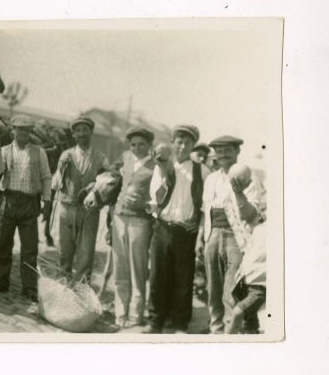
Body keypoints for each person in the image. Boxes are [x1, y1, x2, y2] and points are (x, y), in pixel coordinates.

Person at [143, 125, 210, 334]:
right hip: (163, 228)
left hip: (186, 232)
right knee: (157, 277)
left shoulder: (202, 170)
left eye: (187, 143)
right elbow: (159, 198)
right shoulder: (162, 166)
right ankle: (155, 321)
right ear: (173, 143)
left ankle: (180, 322)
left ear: (193, 145)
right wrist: (164, 172)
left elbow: (205, 206)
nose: (182, 146)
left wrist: (198, 230)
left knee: (183, 280)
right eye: (179, 142)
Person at [196, 135, 261, 334]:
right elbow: (205, 210)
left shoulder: (248, 177)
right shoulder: (211, 179)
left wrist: (239, 192)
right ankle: (216, 330)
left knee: (231, 291)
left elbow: (250, 216)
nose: (223, 154)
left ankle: (230, 333)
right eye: (219, 150)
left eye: (228, 150)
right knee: (213, 289)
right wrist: (200, 237)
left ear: (237, 152)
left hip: (236, 237)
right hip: (212, 234)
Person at [0, 114, 52, 302]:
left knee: (30, 248)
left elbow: (47, 176)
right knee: (3, 244)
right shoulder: (5, 150)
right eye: (19, 129)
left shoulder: (39, 152)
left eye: (26, 129)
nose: (23, 132)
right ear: (12, 130)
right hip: (8, 201)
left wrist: (47, 201)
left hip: (30, 203)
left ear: (30, 131)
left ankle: (29, 287)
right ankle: (1, 281)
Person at [53, 116, 109, 283]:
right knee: (65, 251)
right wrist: (62, 168)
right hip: (67, 208)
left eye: (85, 130)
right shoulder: (66, 155)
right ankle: (62, 289)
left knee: (86, 254)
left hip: (89, 212)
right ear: (74, 134)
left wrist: (96, 186)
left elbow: (108, 183)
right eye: (78, 131)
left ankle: (81, 293)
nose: (82, 134)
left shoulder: (101, 158)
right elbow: (57, 182)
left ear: (91, 132)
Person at [110, 128, 155, 328]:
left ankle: (136, 315)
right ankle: (120, 312)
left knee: (137, 270)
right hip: (119, 218)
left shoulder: (155, 167)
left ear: (149, 146)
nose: (137, 148)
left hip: (139, 222)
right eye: (133, 144)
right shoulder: (126, 161)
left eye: (141, 144)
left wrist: (143, 203)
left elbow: (158, 199)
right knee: (120, 268)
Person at [226, 221, 266, 333]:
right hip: (247, 281)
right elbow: (249, 251)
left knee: (238, 312)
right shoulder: (259, 229)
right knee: (247, 323)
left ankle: (225, 343)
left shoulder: (279, 232)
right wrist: (242, 268)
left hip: (261, 286)